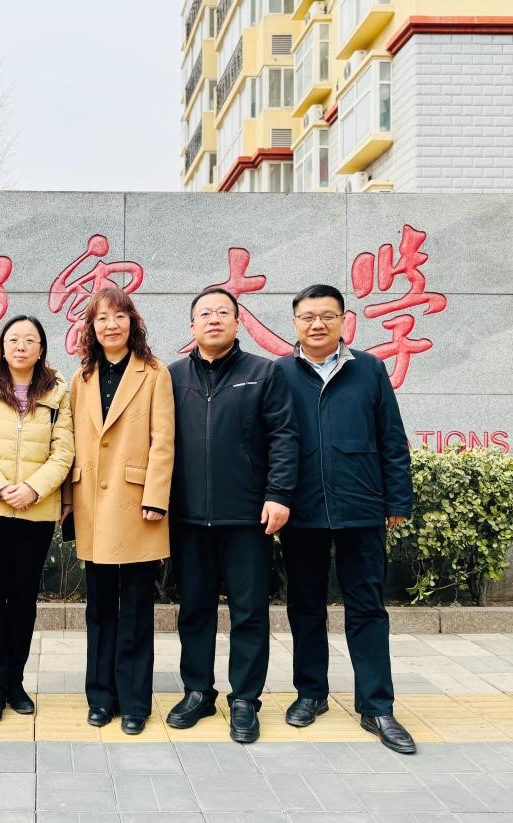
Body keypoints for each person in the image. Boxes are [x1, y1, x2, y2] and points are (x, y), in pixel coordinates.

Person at [276, 283, 417, 755]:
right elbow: (268, 442)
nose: (317, 324)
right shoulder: (279, 373)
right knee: (305, 606)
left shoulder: (369, 369)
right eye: (308, 317)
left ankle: (376, 706)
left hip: (362, 509)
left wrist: (397, 501)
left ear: (343, 320)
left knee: (367, 608)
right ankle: (311, 693)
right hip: (302, 511)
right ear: (295, 323)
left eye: (327, 316)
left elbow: (392, 439)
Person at [166, 287, 298, 743]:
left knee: (249, 611)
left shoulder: (263, 372)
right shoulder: (172, 375)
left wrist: (278, 494)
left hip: (247, 516)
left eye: (223, 312)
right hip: (188, 518)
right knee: (194, 610)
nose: (214, 319)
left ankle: (245, 700)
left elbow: (284, 436)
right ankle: (198, 692)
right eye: (205, 313)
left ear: (238, 322)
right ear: (192, 325)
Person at [61, 286, 175, 735]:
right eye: (102, 318)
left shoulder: (154, 372)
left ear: (133, 323)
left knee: (137, 611)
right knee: (100, 608)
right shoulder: (82, 376)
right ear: (91, 327)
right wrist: (67, 499)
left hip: (137, 505)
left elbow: (164, 440)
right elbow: (69, 442)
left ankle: (135, 702)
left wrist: (156, 497)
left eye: (119, 316)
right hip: (91, 503)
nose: (111, 325)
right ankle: (100, 697)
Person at [0, 316, 74, 726]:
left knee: (22, 600)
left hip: (34, 513)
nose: (21, 346)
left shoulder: (58, 393)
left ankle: (15, 683)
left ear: (41, 349)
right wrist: (1, 487)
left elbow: (64, 451)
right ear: (2, 348)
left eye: (30, 340)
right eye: (13, 340)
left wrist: (34, 489)